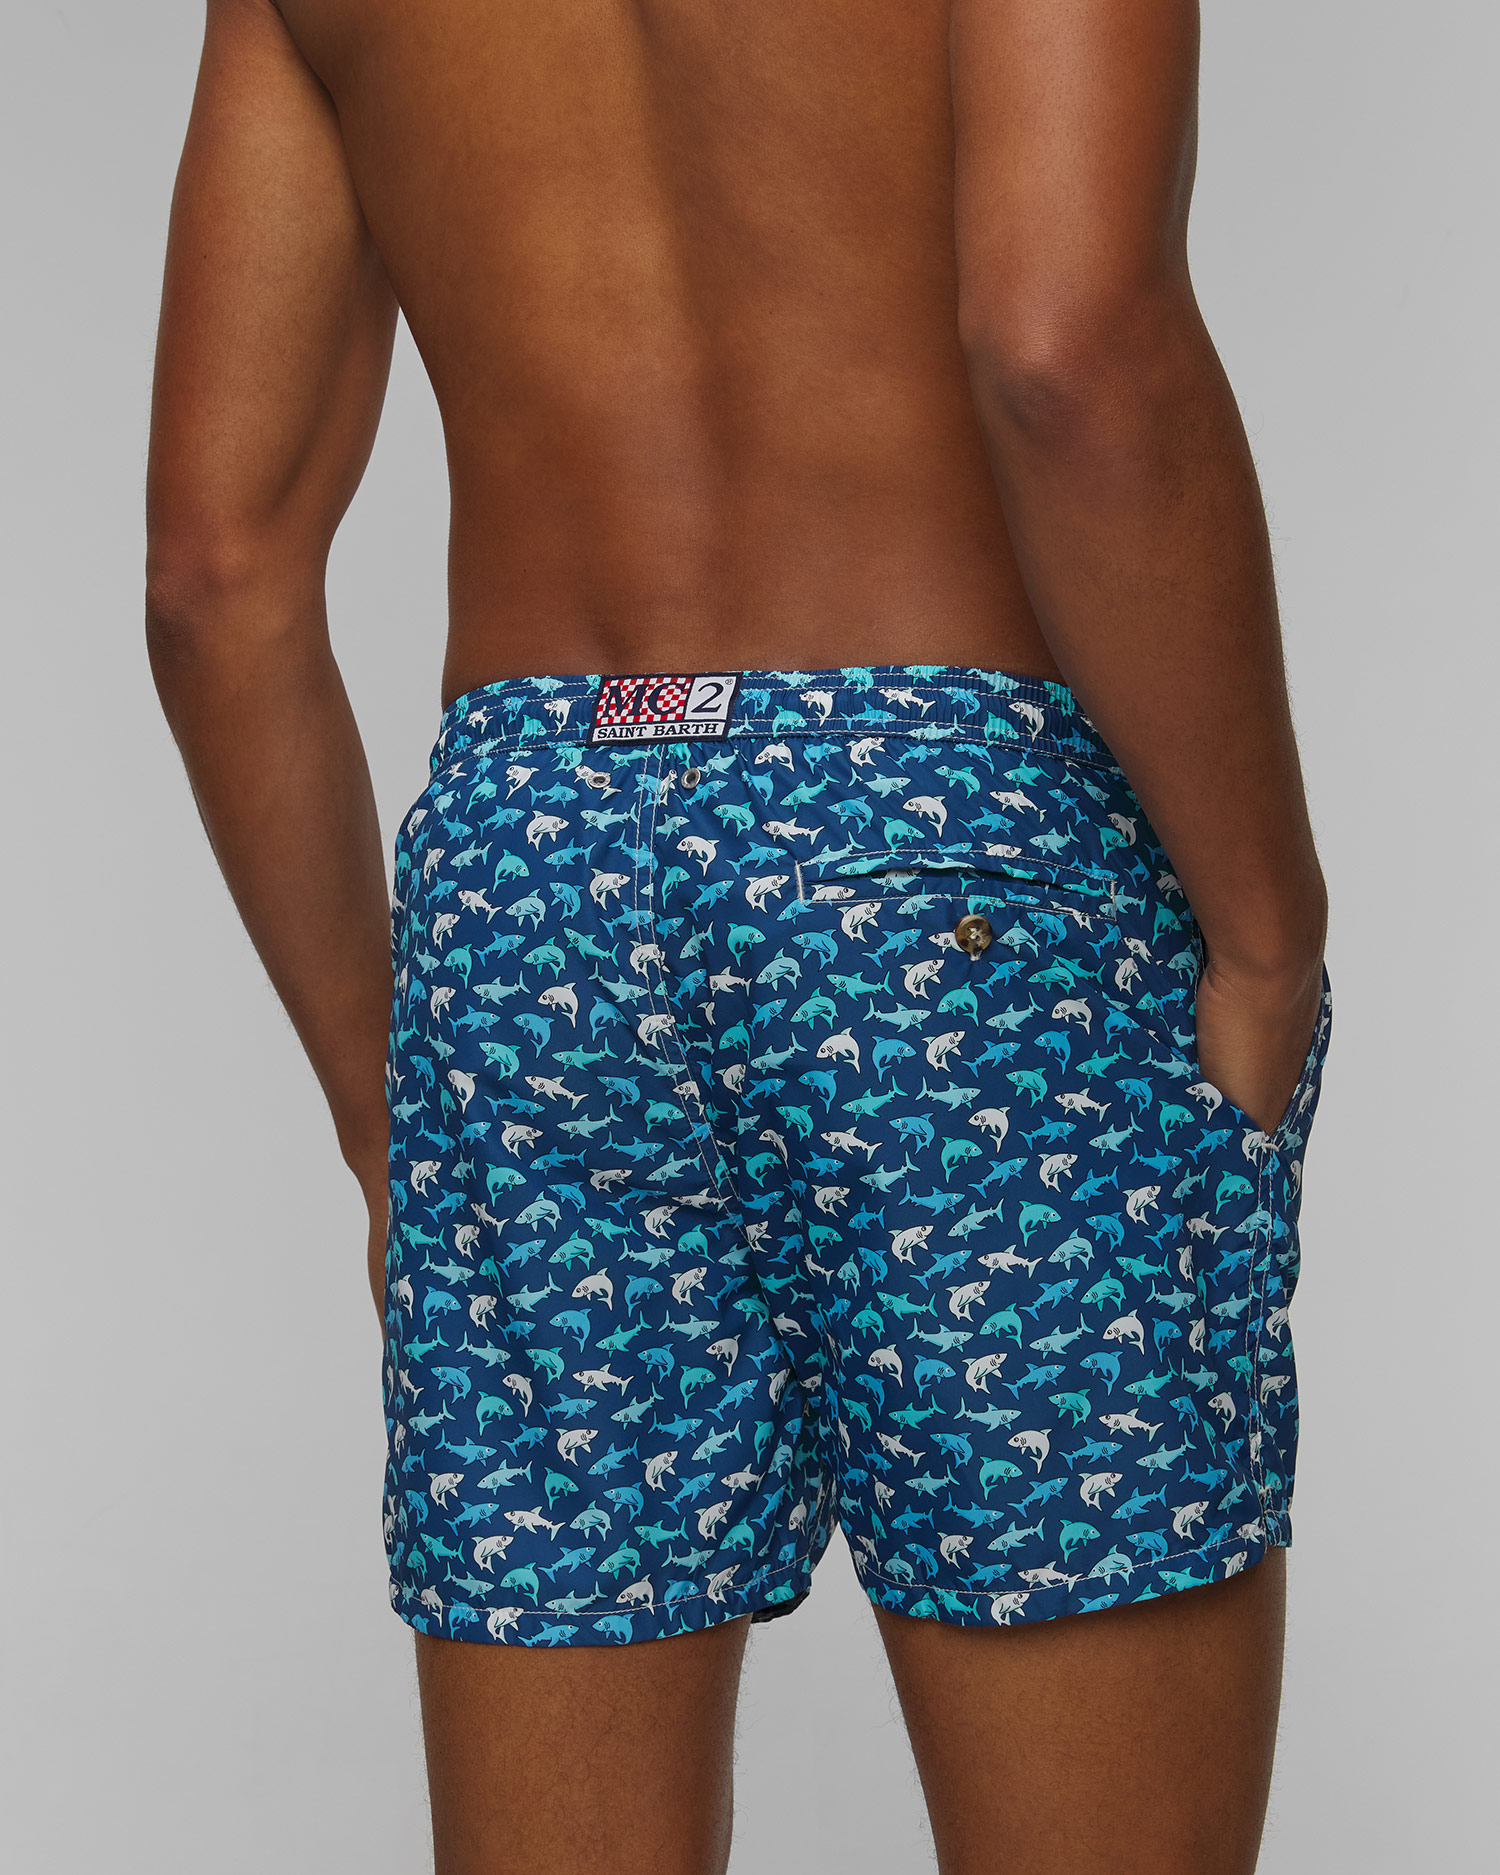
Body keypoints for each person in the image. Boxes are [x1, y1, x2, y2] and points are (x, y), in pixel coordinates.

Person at [146, 1, 1330, 1869]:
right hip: (948, 854)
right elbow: (1065, 347)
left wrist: (394, 1121)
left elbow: (215, 578)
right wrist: (1269, 932)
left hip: (535, 866)